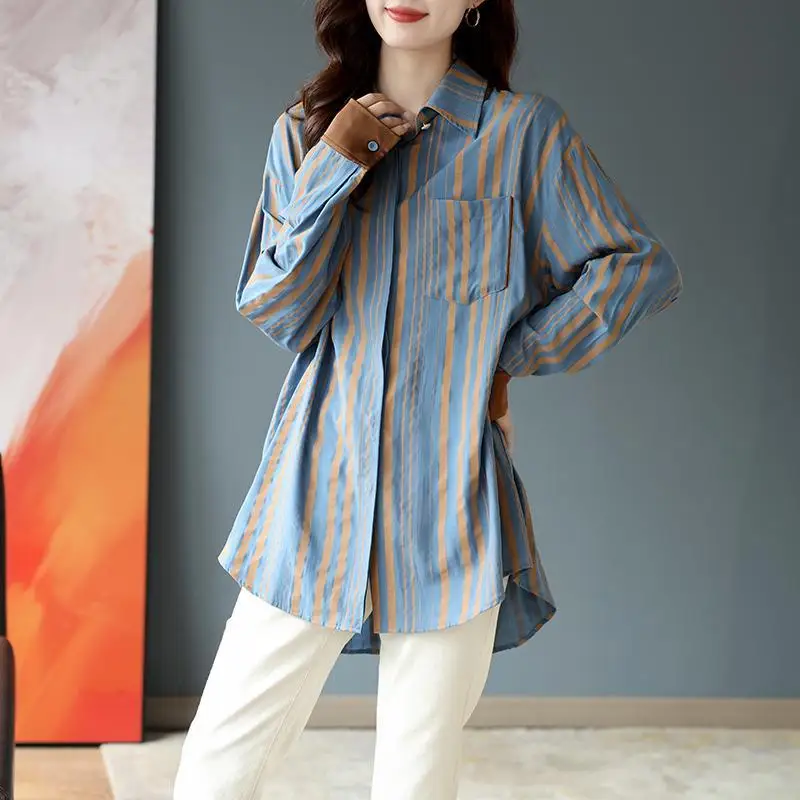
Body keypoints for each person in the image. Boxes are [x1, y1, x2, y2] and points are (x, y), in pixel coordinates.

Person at [173, 0, 683, 797]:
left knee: (416, 775)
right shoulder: (305, 132)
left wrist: (507, 357)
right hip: (314, 487)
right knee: (218, 764)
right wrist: (337, 165)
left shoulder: (523, 134)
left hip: (453, 502)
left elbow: (635, 266)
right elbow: (277, 309)